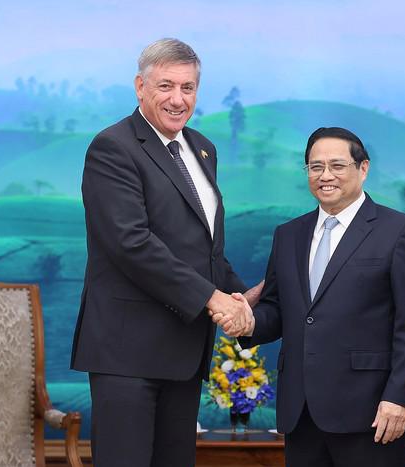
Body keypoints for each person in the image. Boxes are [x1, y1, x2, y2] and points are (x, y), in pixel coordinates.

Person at [70, 38, 257, 467]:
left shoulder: (203, 148)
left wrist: (247, 302)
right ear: (140, 86)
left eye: (188, 88)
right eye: (166, 86)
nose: (178, 99)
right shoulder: (112, 146)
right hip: (128, 354)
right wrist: (212, 299)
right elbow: (130, 243)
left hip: (184, 352)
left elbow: (205, 252)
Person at [216, 127, 405, 466]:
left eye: (337, 165)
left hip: (372, 413)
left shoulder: (400, 231)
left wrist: (398, 398)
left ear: (363, 169)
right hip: (301, 413)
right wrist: (248, 322)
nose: (325, 176)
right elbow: (278, 309)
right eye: (315, 167)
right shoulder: (288, 235)